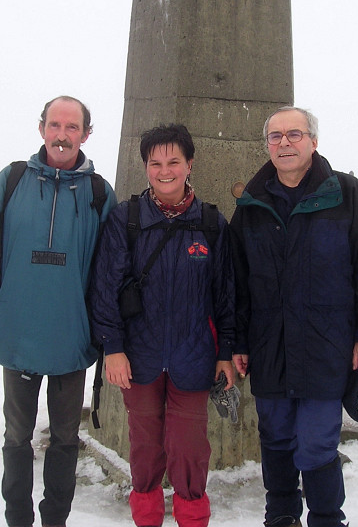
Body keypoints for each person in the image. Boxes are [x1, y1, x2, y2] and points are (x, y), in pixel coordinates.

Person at [230, 106, 358, 527]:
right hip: (269, 349)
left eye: (295, 134)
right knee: (275, 439)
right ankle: (281, 516)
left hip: (327, 349)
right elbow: (236, 284)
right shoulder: (251, 206)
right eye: (275, 136)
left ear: (313, 141)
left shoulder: (346, 195)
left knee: (317, 443)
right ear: (267, 145)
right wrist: (238, 342)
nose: (284, 143)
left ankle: (326, 518)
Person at [0, 96, 117, 527]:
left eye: (72, 127)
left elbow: (110, 274)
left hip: (71, 340)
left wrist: (98, 330)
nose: (62, 135)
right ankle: (18, 520)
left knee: (65, 439)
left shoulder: (100, 194)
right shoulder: (10, 181)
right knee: (17, 437)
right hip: (17, 338)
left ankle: (54, 521)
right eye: (55, 125)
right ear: (42, 128)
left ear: (86, 134)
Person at [89, 124, 236, 527]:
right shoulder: (127, 219)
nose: (165, 171)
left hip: (194, 357)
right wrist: (113, 347)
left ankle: (193, 519)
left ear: (190, 164)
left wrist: (225, 352)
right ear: (145, 167)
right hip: (139, 358)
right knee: (145, 449)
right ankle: (147, 518)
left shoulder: (211, 224)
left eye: (174, 161)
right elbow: (105, 289)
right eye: (155, 163)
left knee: (189, 451)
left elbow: (226, 295)